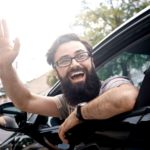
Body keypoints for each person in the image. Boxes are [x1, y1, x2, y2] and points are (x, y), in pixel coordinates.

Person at [0, 19, 138, 144]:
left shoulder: (110, 85)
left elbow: (126, 98)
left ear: (92, 61)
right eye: (64, 61)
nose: (74, 64)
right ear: (57, 72)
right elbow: (25, 101)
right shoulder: (67, 104)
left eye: (81, 55)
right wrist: (5, 67)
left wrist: (79, 114)